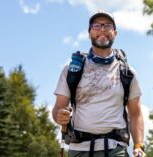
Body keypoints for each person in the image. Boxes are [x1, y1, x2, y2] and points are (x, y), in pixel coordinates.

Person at [52, 10, 146, 157]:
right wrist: (59, 116)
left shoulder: (127, 72)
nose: (102, 29)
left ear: (115, 33)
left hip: (116, 149)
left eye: (107, 25)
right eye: (96, 26)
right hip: (79, 150)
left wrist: (139, 145)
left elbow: (135, 113)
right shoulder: (72, 70)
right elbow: (58, 108)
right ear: (89, 33)